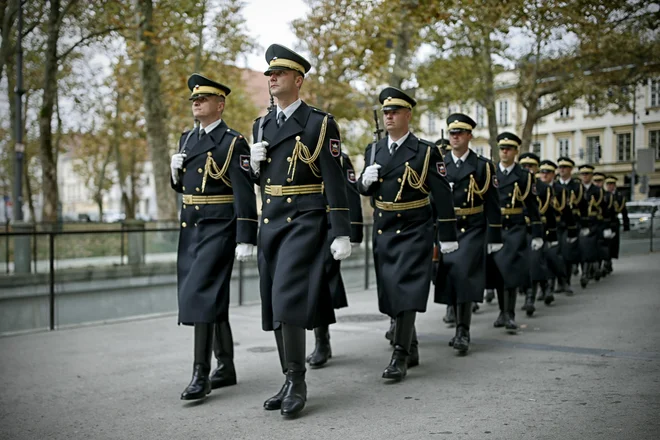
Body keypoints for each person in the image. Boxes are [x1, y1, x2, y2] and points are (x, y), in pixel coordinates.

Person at [249, 44, 351, 417]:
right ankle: (287, 376)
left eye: (279, 73)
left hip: (304, 221)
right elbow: (262, 181)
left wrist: (341, 230)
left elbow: (335, 180)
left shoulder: (319, 123)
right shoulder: (261, 124)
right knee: (274, 302)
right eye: (269, 75)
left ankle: (297, 379)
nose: (271, 78)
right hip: (271, 221)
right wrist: (253, 167)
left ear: (298, 79)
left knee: (288, 296)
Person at [357, 86, 458, 380]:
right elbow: (364, 189)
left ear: (408, 115)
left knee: (406, 289)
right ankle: (410, 345)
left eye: (395, 112)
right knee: (390, 291)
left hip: (415, 228)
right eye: (386, 112)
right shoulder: (373, 149)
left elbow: (441, 195)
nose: (389, 117)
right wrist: (366, 182)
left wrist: (448, 234)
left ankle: (400, 354)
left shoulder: (426, 151)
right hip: (385, 227)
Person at [170, 74, 258, 401]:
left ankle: (200, 374)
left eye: (203, 99)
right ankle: (227, 366)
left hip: (219, 227)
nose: (196, 103)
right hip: (191, 226)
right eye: (194, 99)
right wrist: (174, 174)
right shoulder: (185, 140)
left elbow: (244, 193)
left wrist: (246, 235)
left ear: (219, 105)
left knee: (200, 295)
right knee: (211, 297)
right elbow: (186, 188)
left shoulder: (232, 142)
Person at [433, 113, 502, 354]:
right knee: (450, 274)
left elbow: (492, 202)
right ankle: (455, 318)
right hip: (448, 227)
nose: (455, 137)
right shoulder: (440, 164)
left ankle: (463, 330)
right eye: (452, 133)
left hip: (473, 227)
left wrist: (494, 236)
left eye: (460, 133)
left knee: (463, 274)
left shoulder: (483, 165)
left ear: (469, 136)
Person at [306, 151, 364, 368]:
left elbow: (350, 192)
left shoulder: (339, 157)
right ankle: (321, 341)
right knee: (310, 284)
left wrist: (353, 231)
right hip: (304, 226)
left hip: (330, 225)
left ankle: (322, 342)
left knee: (321, 281)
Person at [486, 132, 542, 331]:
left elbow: (533, 207)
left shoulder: (525, 176)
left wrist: (537, 233)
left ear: (516, 152)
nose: (505, 152)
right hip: (496, 228)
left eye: (508, 149)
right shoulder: (490, 173)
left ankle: (509, 314)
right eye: (502, 148)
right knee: (499, 274)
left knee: (510, 272)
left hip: (515, 228)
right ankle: (502, 312)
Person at [518, 152, 557, 313]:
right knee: (524, 265)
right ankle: (545, 285)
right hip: (518, 230)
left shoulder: (543, 188)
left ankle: (530, 299)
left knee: (534, 263)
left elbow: (549, 213)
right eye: (524, 166)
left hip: (537, 230)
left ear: (537, 168)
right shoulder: (515, 183)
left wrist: (552, 235)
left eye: (531, 166)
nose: (528, 169)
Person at [538, 159, 578, 295]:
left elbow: (566, 210)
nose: (544, 175)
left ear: (553, 174)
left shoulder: (560, 190)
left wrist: (572, 230)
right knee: (543, 257)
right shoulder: (535, 188)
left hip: (558, 226)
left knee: (560, 256)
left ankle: (564, 281)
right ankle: (546, 286)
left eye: (548, 172)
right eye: (542, 172)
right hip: (541, 227)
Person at [575, 165, 611, 288]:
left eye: (587, 174)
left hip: (594, 221)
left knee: (591, 247)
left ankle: (587, 272)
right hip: (579, 221)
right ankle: (587, 270)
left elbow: (605, 209)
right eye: (583, 174)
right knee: (581, 248)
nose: (585, 176)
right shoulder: (576, 189)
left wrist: (606, 226)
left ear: (591, 176)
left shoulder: (597, 191)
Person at [555, 157, 582, 294]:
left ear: (570, 169)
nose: (562, 170)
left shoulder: (576, 186)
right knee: (556, 254)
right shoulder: (554, 186)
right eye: (560, 167)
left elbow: (582, 206)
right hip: (555, 224)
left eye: (565, 167)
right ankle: (559, 282)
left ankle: (567, 282)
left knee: (567, 254)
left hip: (569, 224)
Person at [605, 175, 630, 272]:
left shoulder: (619, 197)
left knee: (613, 244)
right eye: (608, 184)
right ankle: (606, 261)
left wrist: (626, 225)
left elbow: (624, 211)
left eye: (612, 184)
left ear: (614, 185)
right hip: (605, 222)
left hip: (614, 222)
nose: (610, 186)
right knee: (604, 243)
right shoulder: (603, 195)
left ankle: (609, 260)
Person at [592, 172, 612, 278]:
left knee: (602, 245)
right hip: (592, 223)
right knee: (592, 246)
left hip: (602, 223)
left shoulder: (607, 195)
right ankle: (595, 267)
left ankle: (604, 264)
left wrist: (608, 226)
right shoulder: (589, 193)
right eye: (595, 181)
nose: (597, 183)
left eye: (599, 181)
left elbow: (608, 212)